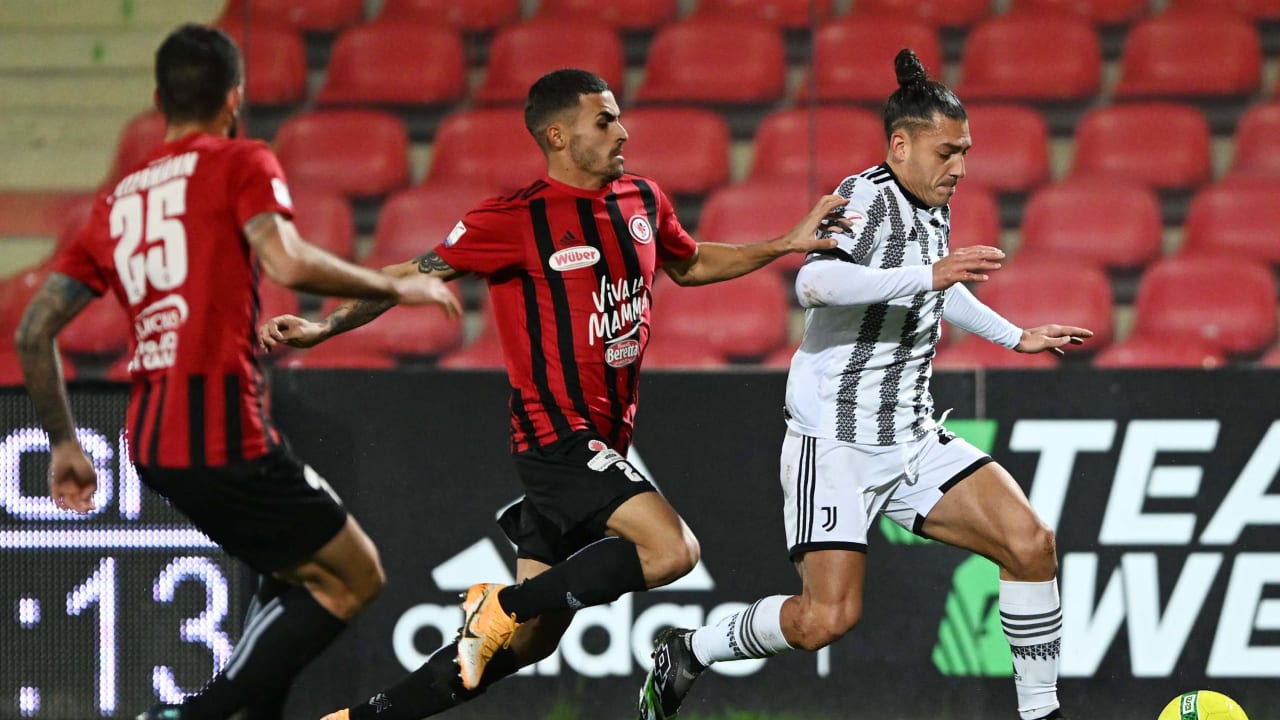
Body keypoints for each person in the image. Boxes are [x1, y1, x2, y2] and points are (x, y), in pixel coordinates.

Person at [256, 67, 850, 720]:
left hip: (605, 435)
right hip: (555, 436)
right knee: (671, 550)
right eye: (605, 120)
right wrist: (322, 326)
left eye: (619, 116)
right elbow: (406, 273)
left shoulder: (643, 201)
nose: (622, 130)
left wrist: (785, 243)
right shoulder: (515, 219)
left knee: (530, 645)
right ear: (558, 135)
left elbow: (691, 262)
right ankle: (499, 605)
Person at [13, 24, 461, 720]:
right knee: (353, 576)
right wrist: (394, 285)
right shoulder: (239, 160)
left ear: (158, 98)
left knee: (292, 573)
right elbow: (284, 260)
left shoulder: (118, 200)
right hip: (222, 430)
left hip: (151, 442)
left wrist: (65, 443)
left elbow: (33, 331)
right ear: (234, 99)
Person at [636, 49, 1091, 720]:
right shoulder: (865, 198)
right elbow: (814, 282)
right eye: (946, 152)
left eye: (964, 150)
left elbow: (937, 290)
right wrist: (928, 277)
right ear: (900, 145)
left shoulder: (931, 202)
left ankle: (1041, 712)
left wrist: (1015, 335)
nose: (960, 166)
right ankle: (692, 647)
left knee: (1031, 544)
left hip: (910, 435)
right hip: (837, 443)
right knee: (826, 619)